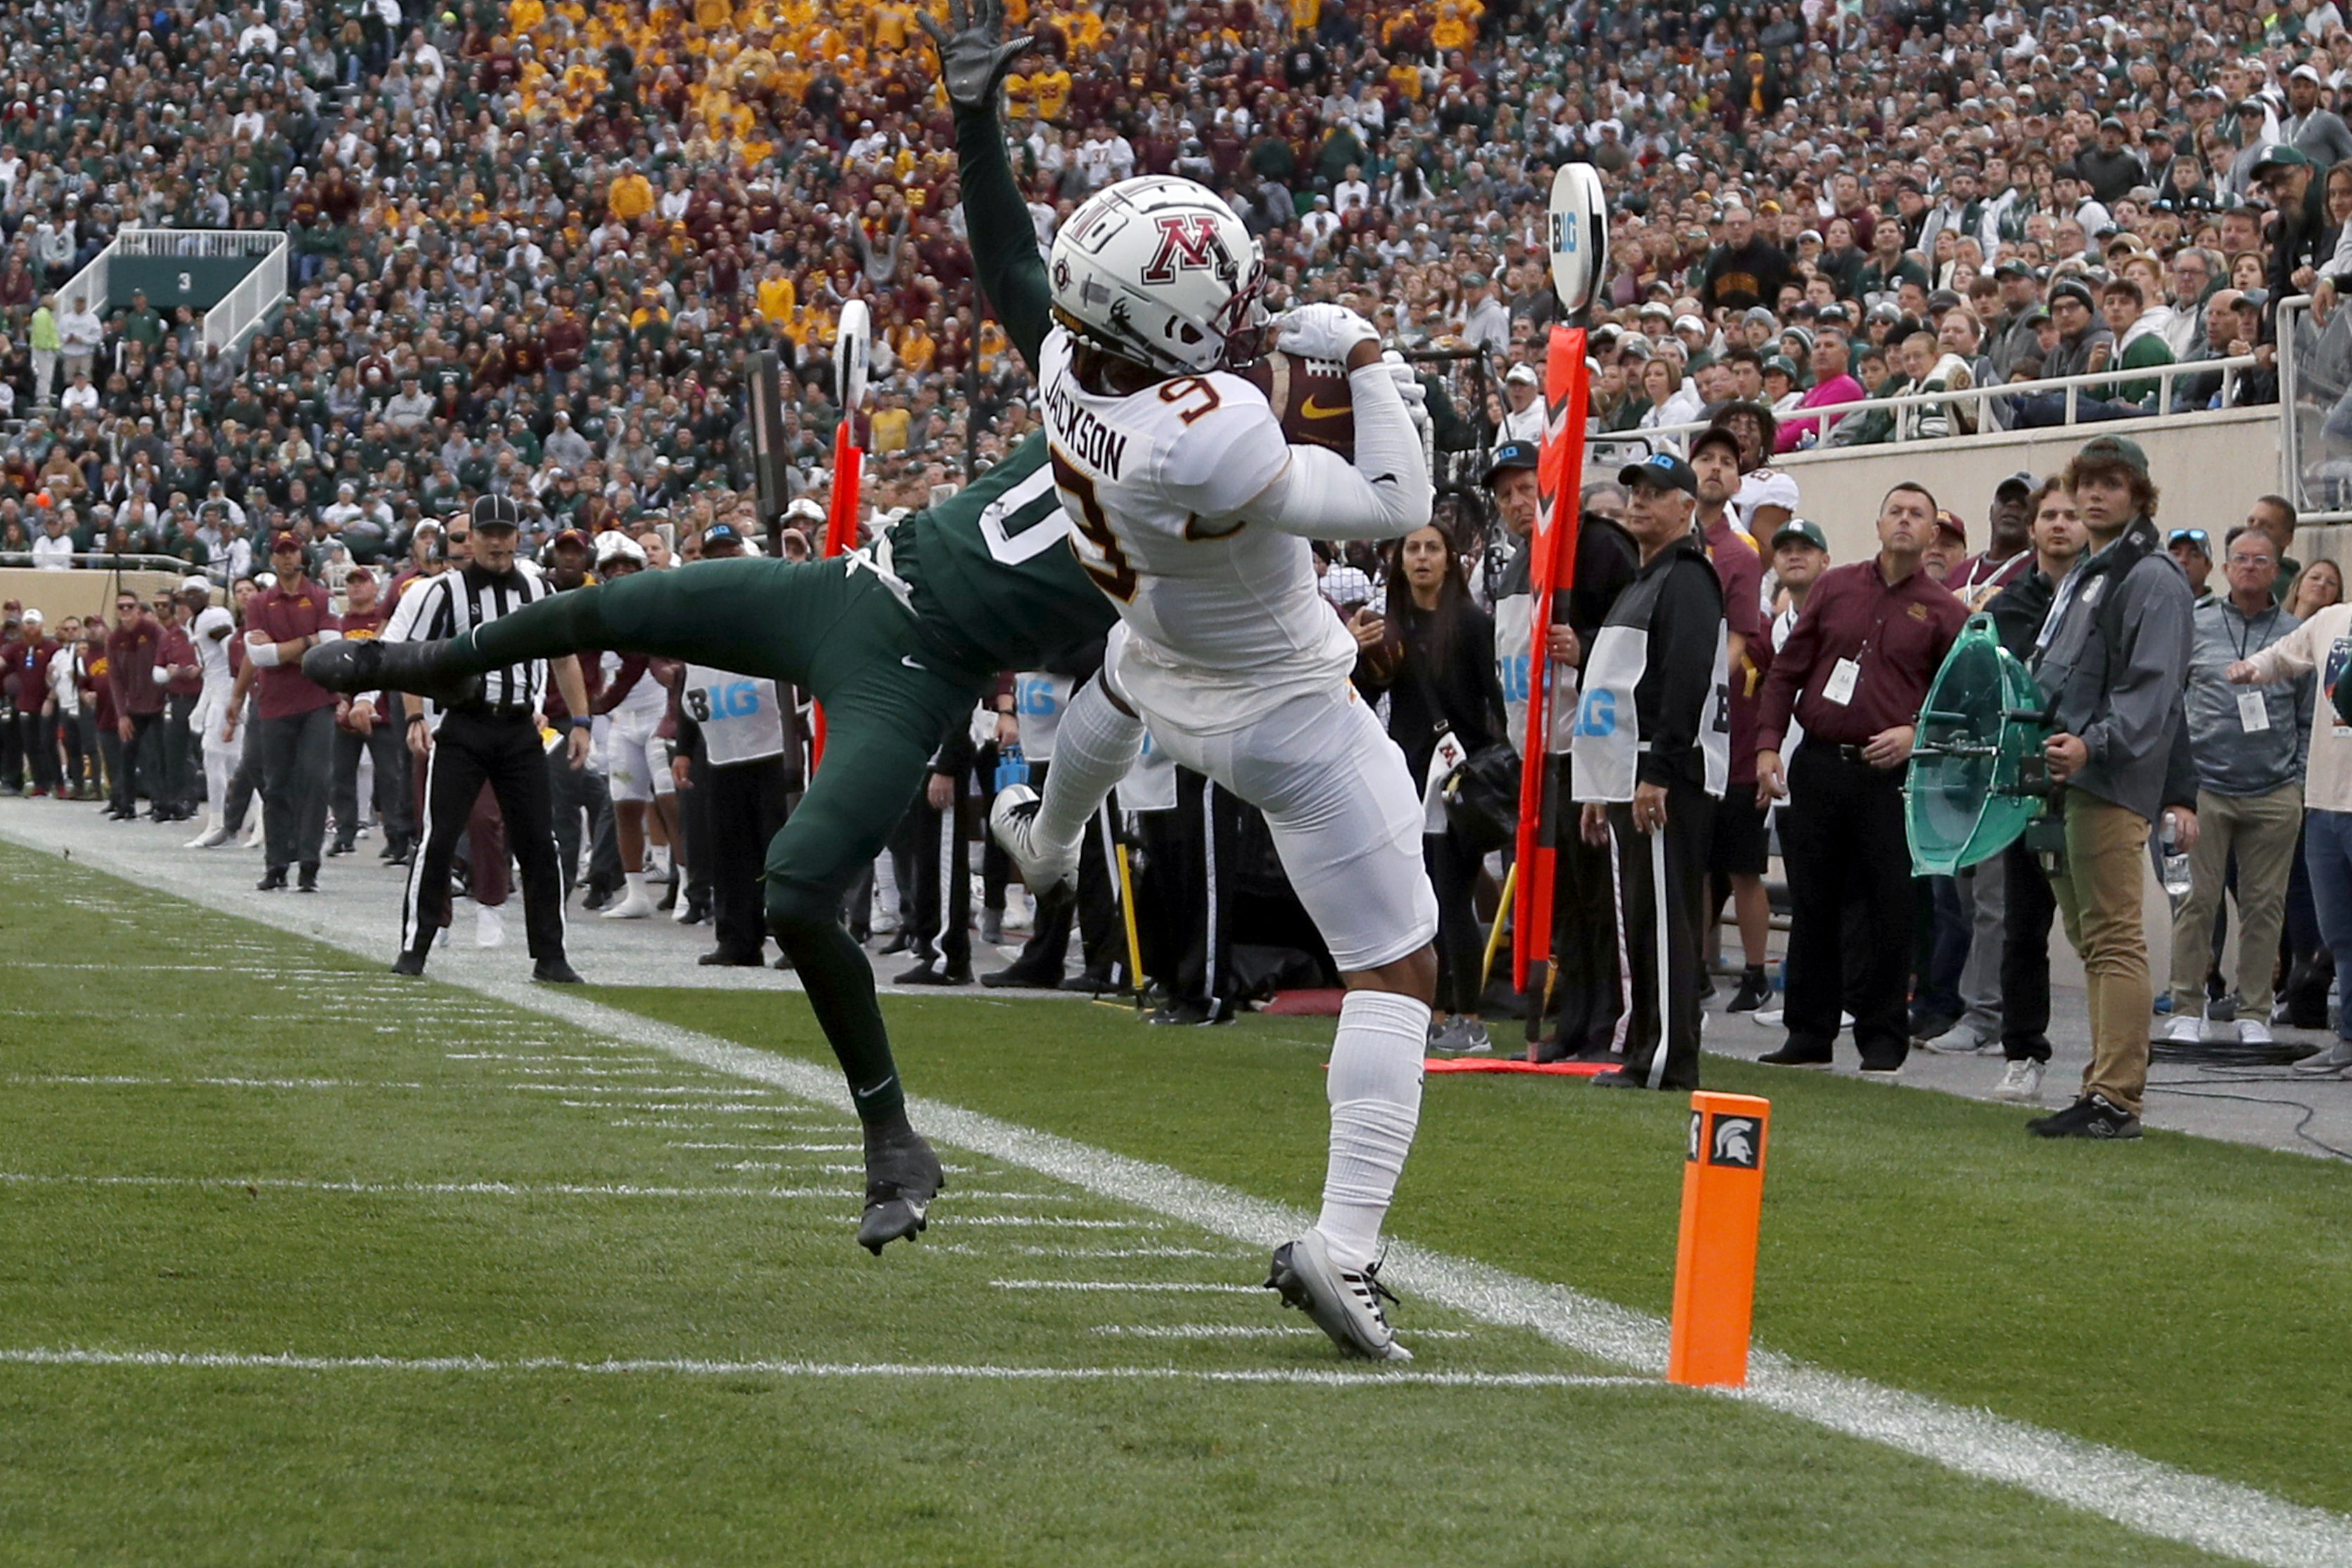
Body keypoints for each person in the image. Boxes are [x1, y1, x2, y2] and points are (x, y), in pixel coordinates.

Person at [307, 0, 1128, 1266]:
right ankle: (417, 660)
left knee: (798, 886)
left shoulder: (1212, 517)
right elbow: (1010, 261)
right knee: (618, 602)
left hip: (914, 672)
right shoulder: (1095, 381)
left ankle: (890, 1133)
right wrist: (972, 117)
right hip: (852, 584)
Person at [959, 4, 1440, 1356]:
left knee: (1111, 693)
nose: (1239, 315)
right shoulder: (1209, 433)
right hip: (1281, 702)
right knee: (1397, 974)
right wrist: (1370, 361)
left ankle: (1045, 844)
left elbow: (1015, 265)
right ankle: (1344, 1247)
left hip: (1162, 657)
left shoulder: (1065, 360)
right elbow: (1391, 504)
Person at [1756, 484, 1967, 1075]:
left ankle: (1881, 1038)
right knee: (1814, 904)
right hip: (1820, 765)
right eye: (1895, 511)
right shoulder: (1834, 586)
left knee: (1889, 909)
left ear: (1932, 534)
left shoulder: (1948, 612)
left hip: (1891, 778)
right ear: (1878, 525)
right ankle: (1809, 1034)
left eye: (1917, 515)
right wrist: (1768, 745)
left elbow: (1964, 704)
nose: (1905, 521)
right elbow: (1785, 672)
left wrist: (1915, 734)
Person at [2025, 435, 2196, 1138]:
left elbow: (2149, 693)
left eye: (2111, 484)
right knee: (2090, 936)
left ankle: (2116, 1097)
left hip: (2105, 777)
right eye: (2086, 481)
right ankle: (2099, 1084)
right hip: (2064, 773)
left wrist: (2090, 743)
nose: (2095, 495)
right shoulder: (2091, 571)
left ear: (2138, 495)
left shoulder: (2149, 577)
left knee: (2113, 937)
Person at [380, 495, 591, 982]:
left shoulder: (538, 588)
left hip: (521, 728)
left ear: (519, 537)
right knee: (439, 837)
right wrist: (415, 716)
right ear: (470, 538)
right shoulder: (444, 591)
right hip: (464, 726)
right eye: (487, 533)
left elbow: (563, 657)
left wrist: (581, 722)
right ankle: (416, 946)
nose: (497, 542)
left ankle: (551, 955)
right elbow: (414, 657)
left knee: (540, 840)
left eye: (505, 532)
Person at [1573, 453, 1728, 1091]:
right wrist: (1597, 781)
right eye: (1634, 489)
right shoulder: (1645, 578)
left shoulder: (1686, 576)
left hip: (1662, 774)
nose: (1638, 500)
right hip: (1627, 772)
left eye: (1655, 492)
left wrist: (1659, 771)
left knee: (1664, 919)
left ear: (1686, 507)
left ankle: (1665, 1057)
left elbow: (1684, 679)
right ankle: (1645, 1048)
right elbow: (1617, 687)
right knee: (1641, 919)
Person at [1485, 454, 1640, 1062]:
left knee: (1603, 897)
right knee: (1565, 900)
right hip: (1540, 755)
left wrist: (1589, 646)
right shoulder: (1517, 564)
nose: (1518, 503)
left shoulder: (1601, 547)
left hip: (1593, 748)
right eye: (1505, 497)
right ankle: (1574, 1019)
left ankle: (1614, 1020)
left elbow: (1636, 640)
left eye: (1527, 489)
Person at [1355, 518, 1506, 1054]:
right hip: (1406, 777)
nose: (1421, 558)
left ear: (1450, 559)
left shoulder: (1468, 623)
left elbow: (1497, 702)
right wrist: (1356, 654)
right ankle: (1431, 1011)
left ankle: (1469, 1015)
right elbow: (1361, 699)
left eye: (1432, 548)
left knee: (1452, 897)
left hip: (1457, 783)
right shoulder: (1386, 626)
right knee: (1414, 902)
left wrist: (1495, 768)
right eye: (1412, 548)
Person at [2166, 526, 2310, 1046]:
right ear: (2225, 569)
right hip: (2204, 788)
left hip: (2273, 790)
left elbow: (2309, 715)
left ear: (2277, 570)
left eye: (2261, 560)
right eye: (2240, 559)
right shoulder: (2195, 626)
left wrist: (2296, 783)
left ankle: (2255, 1010)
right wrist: (2175, 783)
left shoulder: (2297, 634)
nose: (2250, 567)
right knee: (2195, 901)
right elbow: (2171, 704)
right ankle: (2187, 1004)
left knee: (2265, 904)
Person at [1980, 480, 2086, 1103]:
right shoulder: (2007, 606)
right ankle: (2023, 1054)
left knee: (2099, 929)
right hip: (2026, 787)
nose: (2059, 524)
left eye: (2071, 515)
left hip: (2092, 781)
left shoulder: (2114, 599)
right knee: (2024, 928)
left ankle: (2114, 1064)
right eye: (2049, 514)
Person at [2229, 557, 2352, 1074]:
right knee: (2340, 932)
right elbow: (2285, 655)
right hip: (2325, 800)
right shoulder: (2332, 621)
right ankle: (2348, 1040)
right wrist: (2252, 668)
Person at [1688, 425, 1772, 1013]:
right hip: (1682, 726)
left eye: (1727, 461)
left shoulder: (1740, 554)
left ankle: (1755, 971)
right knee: (1692, 860)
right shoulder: (1671, 543)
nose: (1715, 469)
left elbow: (1740, 643)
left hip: (1728, 728)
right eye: (1706, 459)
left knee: (1743, 865)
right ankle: (1691, 965)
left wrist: (1691, 691)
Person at [226, 532, 341, 892]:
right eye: (282, 553)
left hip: (316, 699)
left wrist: (283, 649)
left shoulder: (321, 597)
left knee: (315, 779)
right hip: (275, 703)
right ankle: (276, 864)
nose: (289, 558)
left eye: (293, 551)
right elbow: (260, 656)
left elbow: (332, 645)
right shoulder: (260, 602)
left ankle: (309, 863)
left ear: (302, 556)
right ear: (273, 560)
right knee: (276, 785)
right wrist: (308, 642)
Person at [183, 577, 241, 849]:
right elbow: (209, 669)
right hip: (216, 691)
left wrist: (238, 696)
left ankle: (218, 822)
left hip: (229, 691)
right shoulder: (192, 623)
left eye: (198, 593)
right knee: (233, 762)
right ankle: (253, 820)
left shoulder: (214, 617)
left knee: (214, 755)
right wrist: (201, 706)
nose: (193, 598)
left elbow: (232, 652)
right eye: (188, 594)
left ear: (208, 595)